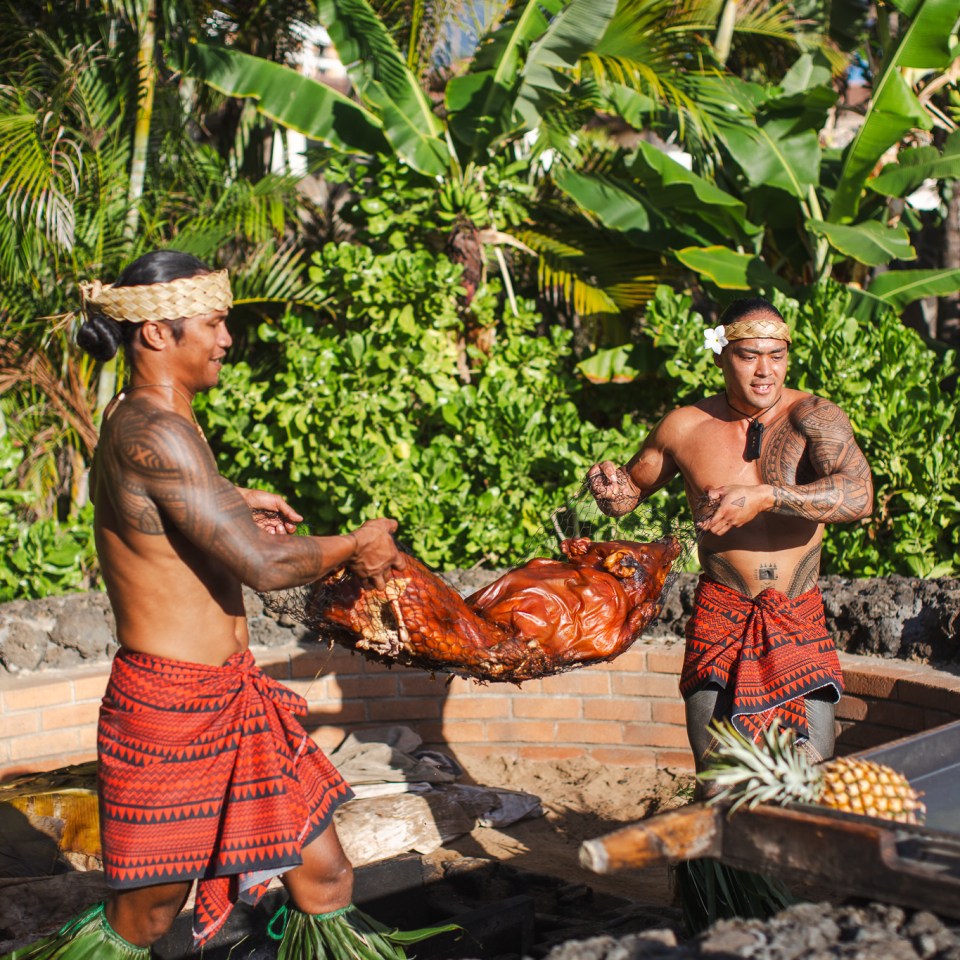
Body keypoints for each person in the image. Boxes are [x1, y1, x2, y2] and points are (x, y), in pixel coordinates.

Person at [4, 251, 416, 960]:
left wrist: (232, 500)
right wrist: (356, 543)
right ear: (158, 335)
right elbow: (263, 566)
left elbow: (162, 508)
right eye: (214, 323)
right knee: (149, 913)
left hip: (233, 698)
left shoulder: (151, 419)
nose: (226, 340)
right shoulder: (155, 432)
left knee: (324, 874)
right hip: (171, 710)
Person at [587, 297, 873, 777]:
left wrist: (766, 496)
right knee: (718, 777)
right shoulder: (684, 427)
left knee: (809, 777)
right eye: (748, 356)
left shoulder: (815, 417)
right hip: (722, 614)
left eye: (776, 356)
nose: (765, 371)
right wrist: (610, 490)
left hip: (794, 613)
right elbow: (629, 493)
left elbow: (860, 494)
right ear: (720, 356)